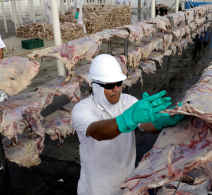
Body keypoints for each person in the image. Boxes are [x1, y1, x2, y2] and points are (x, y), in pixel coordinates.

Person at [72, 54, 184, 195]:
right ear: (96, 86)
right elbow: (98, 132)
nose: (116, 89)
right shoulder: (82, 109)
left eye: (119, 83)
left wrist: (161, 121)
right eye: (110, 85)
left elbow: (146, 125)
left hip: (126, 185)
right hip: (96, 189)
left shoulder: (128, 101)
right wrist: (127, 118)